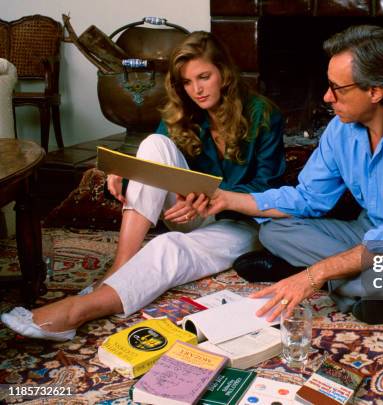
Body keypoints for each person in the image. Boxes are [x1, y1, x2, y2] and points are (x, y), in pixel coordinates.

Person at [1, 31, 285, 341]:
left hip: (241, 222)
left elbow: (267, 188)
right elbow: (153, 160)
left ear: (224, 73)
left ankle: (77, 311)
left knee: (166, 248)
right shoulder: (185, 109)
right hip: (189, 211)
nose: (197, 90)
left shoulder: (263, 114)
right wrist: (125, 173)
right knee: (152, 143)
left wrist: (214, 197)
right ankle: (121, 264)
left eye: (204, 77)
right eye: (188, 82)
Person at [194, 25, 383, 325]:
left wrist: (315, 274)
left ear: (375, 91)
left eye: (337, 89)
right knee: (274, 231)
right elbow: (307, 198)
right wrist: (227, 199)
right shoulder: (341, 129)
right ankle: (355, 284)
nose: (327, 97)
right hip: (370, 229)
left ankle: (332, 277)